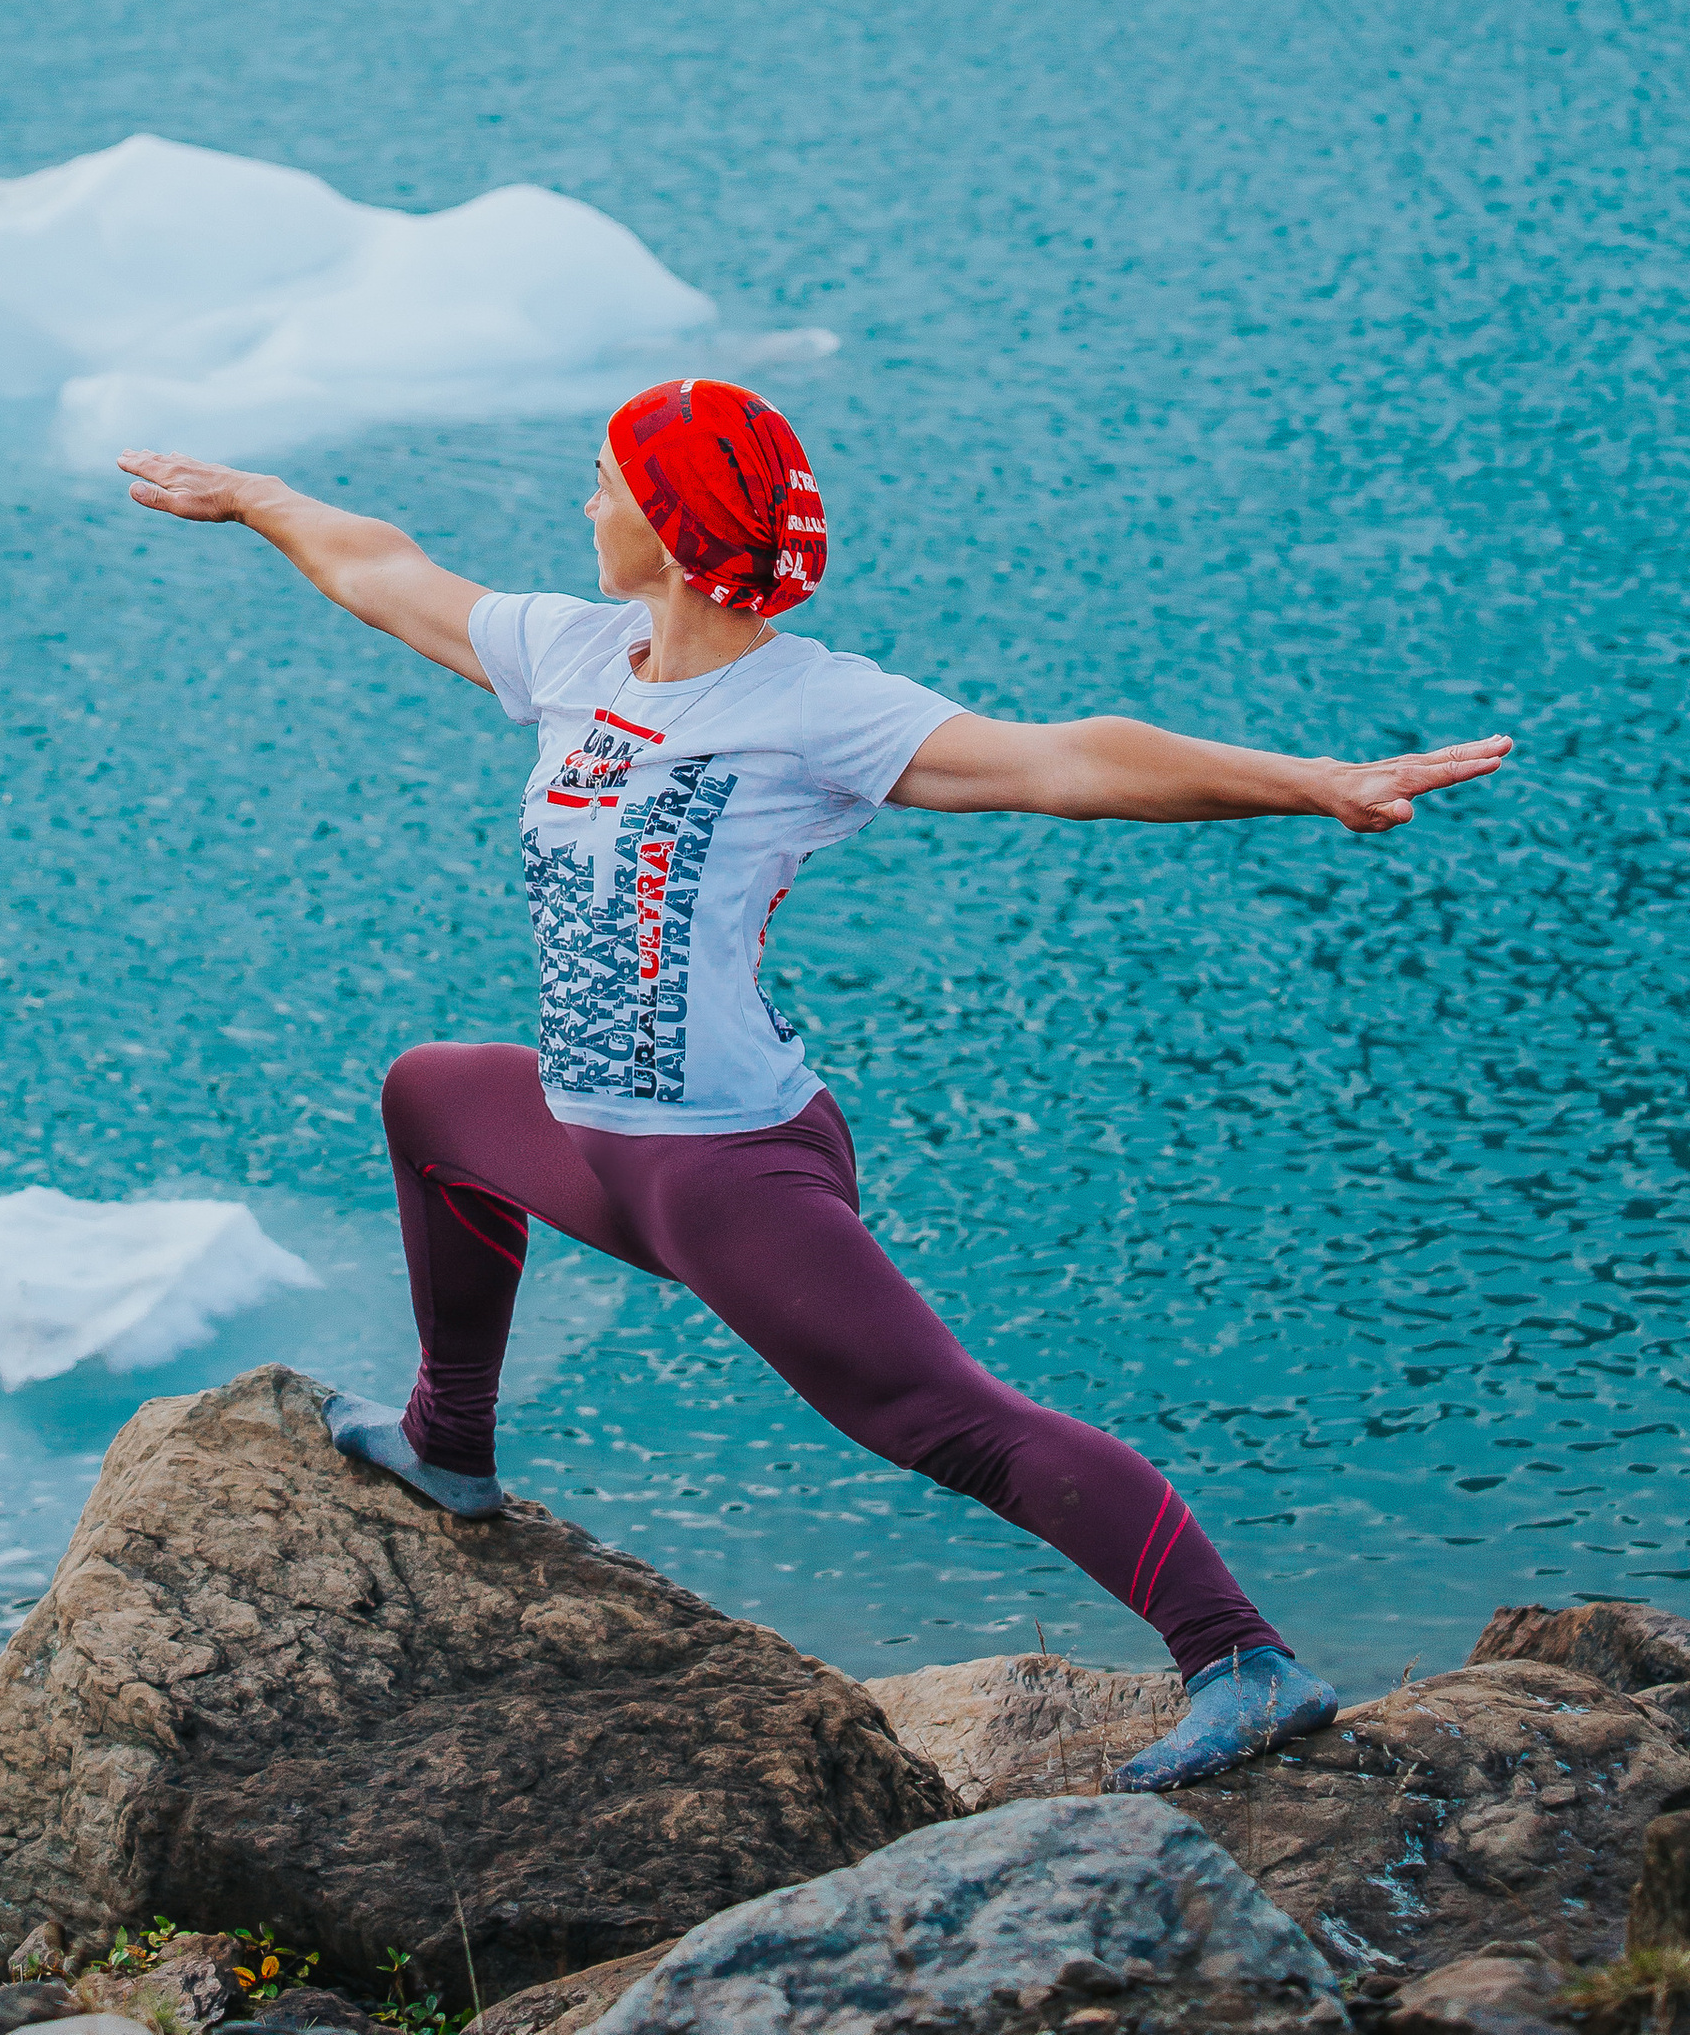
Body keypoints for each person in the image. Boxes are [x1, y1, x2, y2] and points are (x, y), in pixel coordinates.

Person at [118, 379, 1508, 1791]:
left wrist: (1312, 780)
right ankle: (446, 1444)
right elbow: (384, 570)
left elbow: (1067, 757)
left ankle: (1242, 1659)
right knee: (433, 1096)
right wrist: (253, 499)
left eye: (603, 480)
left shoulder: (812, 706)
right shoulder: (573, 652)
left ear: (666, 521)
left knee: (948, 1425)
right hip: (594, 1136)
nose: (583, 502)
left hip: (726, 1169)